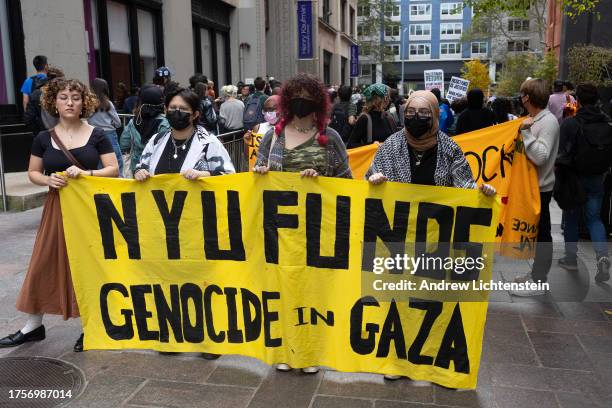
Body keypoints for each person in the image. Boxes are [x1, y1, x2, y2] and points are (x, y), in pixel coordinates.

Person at [365, 90, 495, 380]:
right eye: (410, 113)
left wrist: (481, 194)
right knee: (398, 301)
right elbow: (372, 176)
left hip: (436, 241)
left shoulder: (450, 149)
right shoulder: (391, 145)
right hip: (400, 240)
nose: (415, 119)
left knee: (432, 300)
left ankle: (434, 355)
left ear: (436, 116)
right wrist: (374, 180)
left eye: (424, 114)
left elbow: (465, 187)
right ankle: (398, 361)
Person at [0, 78, 119, 352]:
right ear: (54, 101)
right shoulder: (44, 137)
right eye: (64, 97)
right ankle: (33, 326)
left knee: (87, 264)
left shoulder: (97, 134)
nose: (69, 102)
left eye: (75, 98)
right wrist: (47, 181)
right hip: (56, 208)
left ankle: (90, 326)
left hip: (88, 210)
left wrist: (87, 173)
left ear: (84, 102)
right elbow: (33, 172)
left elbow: (112, 169)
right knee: (43, 262)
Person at [254, 74, 351, 374]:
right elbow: (258, 176)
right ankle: (285, 348)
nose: (301, 99)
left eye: (307, 95)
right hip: (280, 232)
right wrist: (260, 173)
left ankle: (309, 352)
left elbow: (347, 184)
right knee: (283, 291)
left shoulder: (331, 138)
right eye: (296, 93)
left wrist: (321, 183)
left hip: (316, 232)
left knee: (312, 292)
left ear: (318, 102)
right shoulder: (273, 137)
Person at [509, 78, 560, 296]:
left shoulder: (547, 122)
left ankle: (539, 282)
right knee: (536, 233)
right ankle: (536, 275)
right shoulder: (534, 118)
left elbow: (540, 156)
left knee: (542, 235)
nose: (520, 98)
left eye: (522, 95)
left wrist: (526, 133)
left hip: (540, 188)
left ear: (528, 97)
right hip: (530, 187)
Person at [556, 83, 611, 282]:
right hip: (597, 177)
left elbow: (561, 152)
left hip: (573, 178)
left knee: (571, 217)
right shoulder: (607, 123)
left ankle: (570, 258)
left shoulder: (571, 123)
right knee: (594, 218)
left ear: (577, 100)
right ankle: (602, 255)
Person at [134, 86, 235, 180]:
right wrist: (139, 172)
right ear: (165, 110)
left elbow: (228, 175)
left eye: (183, 109)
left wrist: (204, 175)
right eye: (172, 108)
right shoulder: (156, 140)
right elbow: (141, 166)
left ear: (195, 114)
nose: (177, 112)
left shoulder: (209, 142)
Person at [120, 85, 170, 176]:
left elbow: (124, 144)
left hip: (136, 170)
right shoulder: (165, 122)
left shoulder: (133, 121)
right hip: (158, 169)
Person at [88, 78, 124, 177]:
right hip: (109, 134)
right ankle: (119, 181)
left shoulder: (89, 104)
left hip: (93, 134)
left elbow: (87, 117)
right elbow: (118, 122)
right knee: (117, 159)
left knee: (99, 160)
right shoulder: (108, 103)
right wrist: (113, 124)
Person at [24, 66, 64, 135]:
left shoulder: (36, 93)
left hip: (43, 133)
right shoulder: (64, 93)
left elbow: (29, 119)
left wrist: (39, 132)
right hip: (60, 133)